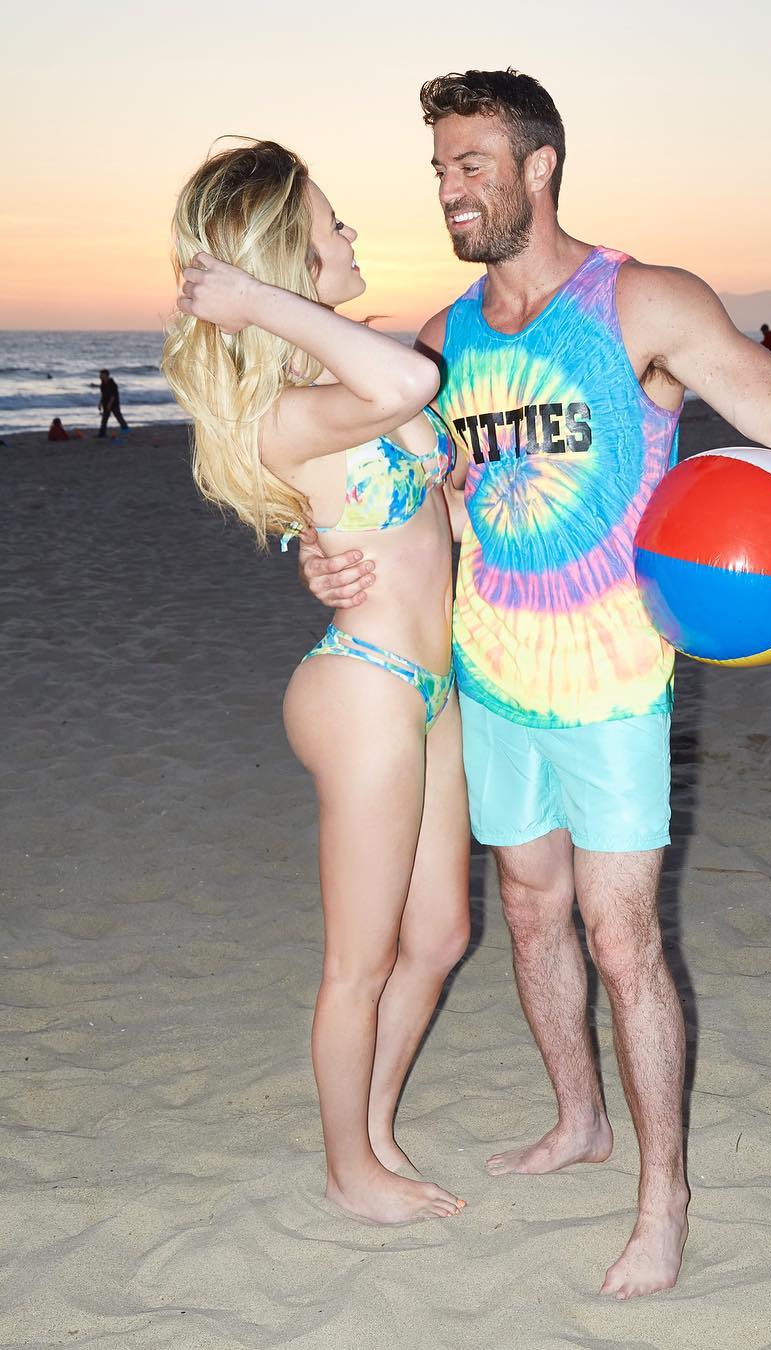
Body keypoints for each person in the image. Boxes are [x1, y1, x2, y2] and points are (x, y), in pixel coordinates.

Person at [299, 69, 771, 1299]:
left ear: (539, 167)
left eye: (472, 163)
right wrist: (319, 556)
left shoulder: (642, 302)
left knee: (623, 938)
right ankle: (578, 1119)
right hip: (490, 676)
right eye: (439, 167)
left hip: (618, 681)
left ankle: (662, 1197)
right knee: (532, 913)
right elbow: (389, 498)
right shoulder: (440, 344)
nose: (449, 188)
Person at [161, 140, 471, 1226]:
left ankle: (372, 1131)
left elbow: (415, 486)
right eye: (331, 225)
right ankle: (348, 1171)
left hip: (432, 684)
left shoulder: (341, 383)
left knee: (440, 937)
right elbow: (410, 386)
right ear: (287, 262)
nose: (350, 236)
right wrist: (252, 302)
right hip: (367, 688)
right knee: (360, 961)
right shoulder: (295, 410)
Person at [95, 368, 129, 436]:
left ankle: (125, 429)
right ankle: (102, 433)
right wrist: (100, 403)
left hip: (114, 403)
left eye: (101, 375)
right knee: (104, 419)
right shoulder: (103, 383)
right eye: (100, 375)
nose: (100, 376)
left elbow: (113, 395)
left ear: (106, 375)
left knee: (118, 416)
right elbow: (103, 395)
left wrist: (109, 404)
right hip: (105, 403)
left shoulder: (112, 383)